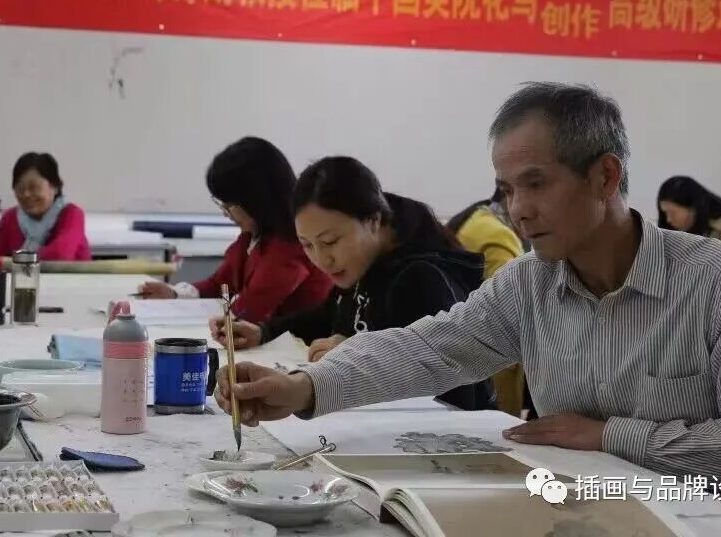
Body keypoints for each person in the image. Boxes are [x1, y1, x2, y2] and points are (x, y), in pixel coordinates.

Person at [215, 83, 721, 519]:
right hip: (589, 517)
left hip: (717, 522)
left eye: (536, 183)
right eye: (507, 189)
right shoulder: (530, 284)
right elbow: (430, 349)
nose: (517, 209)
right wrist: (306, 387)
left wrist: (608, 435)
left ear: (605, 176)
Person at [212, 156, 494, 411]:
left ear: (373, 221)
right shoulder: (363, 261)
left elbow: (448, 383)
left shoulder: (421, 279)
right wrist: (264, 332)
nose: (322, 259)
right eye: (307, 245)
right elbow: (329, 313)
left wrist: (353, 358)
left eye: (330, 241)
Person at [138, 137, 331, 325]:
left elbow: (249, 312)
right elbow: (220, 285)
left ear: (256, 200)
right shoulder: (252, 235)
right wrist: (174, 294)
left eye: (229, 205)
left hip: (296, 342)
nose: (225, 213)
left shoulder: (289, 248)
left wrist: (222, 314)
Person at [447, 188, 526, 416]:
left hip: (467, 366)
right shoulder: (499, 237)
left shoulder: (475, 220)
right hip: (493, 375)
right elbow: (510, 316)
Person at [0, 152, 90, 261]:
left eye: (34, 187)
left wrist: (19, 260)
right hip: (22, 273)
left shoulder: (72, 214)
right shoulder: (9, 218)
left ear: (55, 187)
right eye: (20, 188)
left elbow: (60, 255)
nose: (26, 194)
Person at [657, 176, 721, 253]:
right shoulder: (688, 230)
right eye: (665, 213)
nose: (668, 219)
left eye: (673, 213)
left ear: (693, 209)